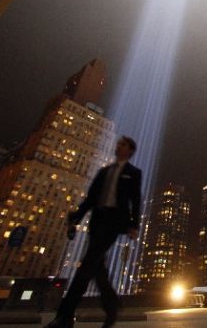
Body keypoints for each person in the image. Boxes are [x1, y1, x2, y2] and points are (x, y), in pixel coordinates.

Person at [45, 136, 142, 328]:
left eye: (123, 144)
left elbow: (135, 199)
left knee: (87, 265)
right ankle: (112, 304)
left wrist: (134, 225)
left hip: (114, 223)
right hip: (97, 222)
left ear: (130, 150)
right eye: (119, 143)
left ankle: (64, 316)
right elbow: (90, 199)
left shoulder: (133, 173)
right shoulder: (104, 172)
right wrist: (76, 218)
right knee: (97, 268)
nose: (118, 146)